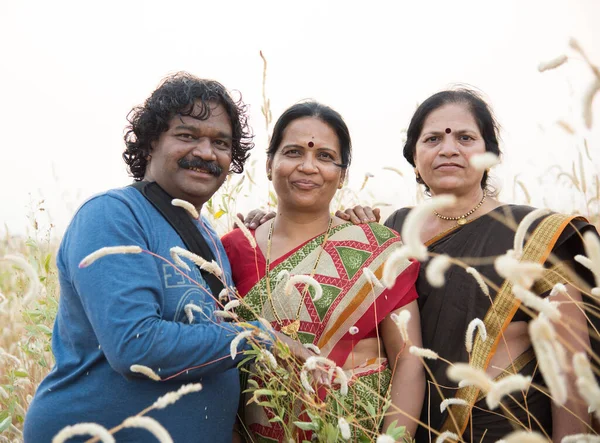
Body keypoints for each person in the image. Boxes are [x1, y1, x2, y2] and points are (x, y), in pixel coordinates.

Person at [24, 73, 275, 442]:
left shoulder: (208, 237)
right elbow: (136, 345)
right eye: (187, 136)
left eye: (220, 142)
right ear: (149, 144)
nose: (206, 153)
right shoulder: (112, 215)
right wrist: (259, 340)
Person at [337, 89, 599, 441]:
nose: (448, 149)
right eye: (432, 139)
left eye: (465, 137)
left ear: (489, 155)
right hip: (402, 430)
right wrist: (266, 223)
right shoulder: (390, 232)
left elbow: (571, 375)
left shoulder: (537, 234)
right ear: (414, 158)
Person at [221, 101, 425, 442]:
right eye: (293, 152)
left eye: (325, 156)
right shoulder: (231, 250)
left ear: (342, 174)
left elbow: (409, 361)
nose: (308, 166)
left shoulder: (376, 248)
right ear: (270, 164)